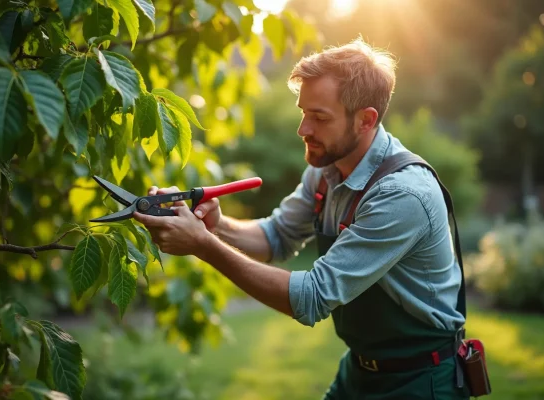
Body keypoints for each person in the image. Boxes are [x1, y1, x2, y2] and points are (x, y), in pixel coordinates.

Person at [133, 38, 471, 399]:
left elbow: (311, 298)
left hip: (421, 381)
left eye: (319, 117)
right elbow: (276, 236)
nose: (303, 130)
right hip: (360, 371)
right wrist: (215, 225)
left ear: (365, 120)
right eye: (303, 112)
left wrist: (203, 245)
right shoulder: (327, 169)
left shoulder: (401, 195)